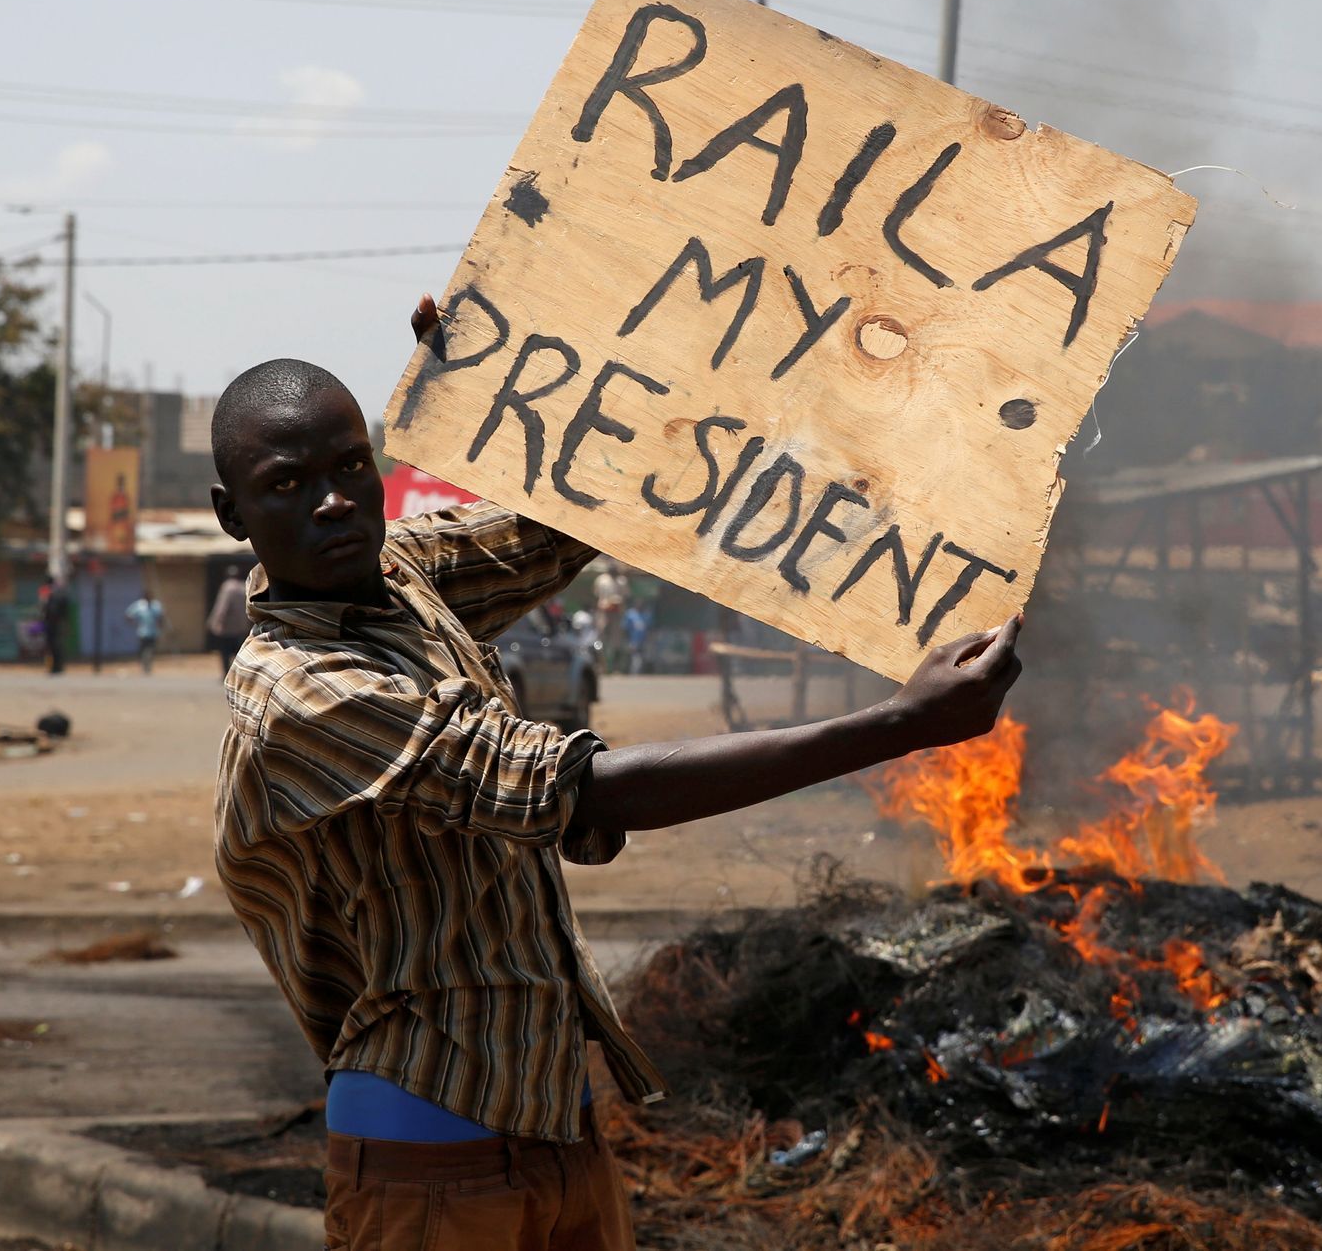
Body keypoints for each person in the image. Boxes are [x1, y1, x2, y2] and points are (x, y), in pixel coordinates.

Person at [209, 294, 1022, 1251]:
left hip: (556, 1128)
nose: (335, 499)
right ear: (233, 514)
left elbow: (574, 514)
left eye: (352, 466)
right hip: (427, 1155)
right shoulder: (298, 693)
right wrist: (898, 725)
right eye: (289, 483)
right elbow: (575, 788)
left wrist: (512, 379)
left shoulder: (403, 576)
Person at [206, 564, 249, 675]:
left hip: (227, 627)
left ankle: (226, 673)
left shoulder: (227, 587)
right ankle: (238, 673)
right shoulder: (243, 587)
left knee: (225, 653)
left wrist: (214, 622)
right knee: (238, 652)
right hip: (241, 627)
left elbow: (222, 607)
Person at [591, 559, 630, 673]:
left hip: (617, 613)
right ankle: (601, 666)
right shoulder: (601, 580)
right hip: (603, 612)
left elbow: (626, 596)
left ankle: (616, 667)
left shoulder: (622, 581)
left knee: (616, 641)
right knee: (600, 638)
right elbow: (596, 594)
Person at [125, 587, 166, 674]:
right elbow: (128, 614)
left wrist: (161, 624)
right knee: (143, 649)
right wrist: (134, 623)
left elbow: (161, 616)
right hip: (142, 632)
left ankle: (148, 666)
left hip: (153, 632)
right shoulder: (139, 606)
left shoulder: (156, 605)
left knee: (151, 649)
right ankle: (144, 666)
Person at [40, 574, 70, 675]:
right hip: (57, 623)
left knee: (54, 646)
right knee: (57, 646)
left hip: (52, 624)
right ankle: (57, 667)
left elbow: (48, 610)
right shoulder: (59, 593)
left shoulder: (50, 594)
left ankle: (55, 668)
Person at [622, 601, 651, 675]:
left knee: (641, 658)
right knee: (634, 657)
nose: (640, 604)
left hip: (642, 641)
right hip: (632, 640)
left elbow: (647, 629)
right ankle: (632, 673)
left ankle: (638, 673)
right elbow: (625, 628)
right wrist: (627, 640)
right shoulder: (630, 614)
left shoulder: (645, 614)